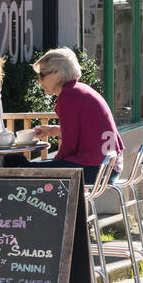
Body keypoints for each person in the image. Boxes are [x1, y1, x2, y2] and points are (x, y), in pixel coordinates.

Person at [32, 47, 124, 185]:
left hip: (95, 168)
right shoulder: (79, 90)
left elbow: (69, 146)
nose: (39, 81)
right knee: (36, 168)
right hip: (110, 166)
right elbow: (85, 133)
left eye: (41, 75)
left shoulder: (68, 97)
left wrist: (55, 165)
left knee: (23, 171)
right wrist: (53, 131)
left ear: (57, 73)